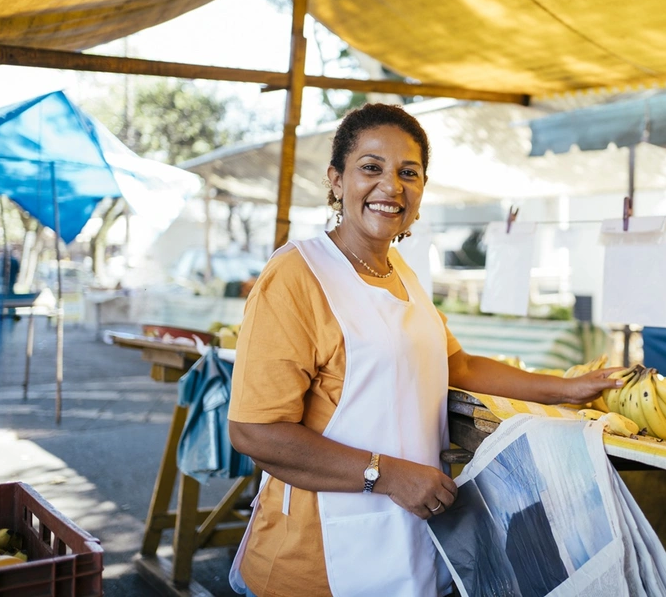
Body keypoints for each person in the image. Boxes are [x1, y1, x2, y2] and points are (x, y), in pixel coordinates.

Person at [227, 103, 624, 597]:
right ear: (336, 180)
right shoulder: (295, 275)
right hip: (315, 558)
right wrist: (387, 474)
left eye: (407, 173)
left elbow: (457, 364)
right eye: (371, 167)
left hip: (409, 545)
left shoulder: (403, 275)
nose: (391, 186)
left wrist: (568, 389)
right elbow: (254, 430)